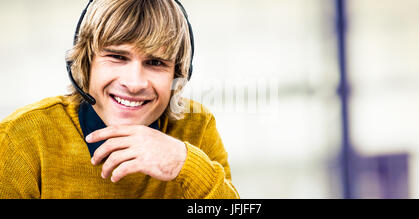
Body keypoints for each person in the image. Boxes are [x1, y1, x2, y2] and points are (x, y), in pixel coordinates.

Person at [0, 0, 239, 199]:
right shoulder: (21, 138)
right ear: (85, 62)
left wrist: (186, 164)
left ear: (176, 75)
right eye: (117, 57)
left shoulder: (197, 127)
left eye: (156, 63)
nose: (135, 84)